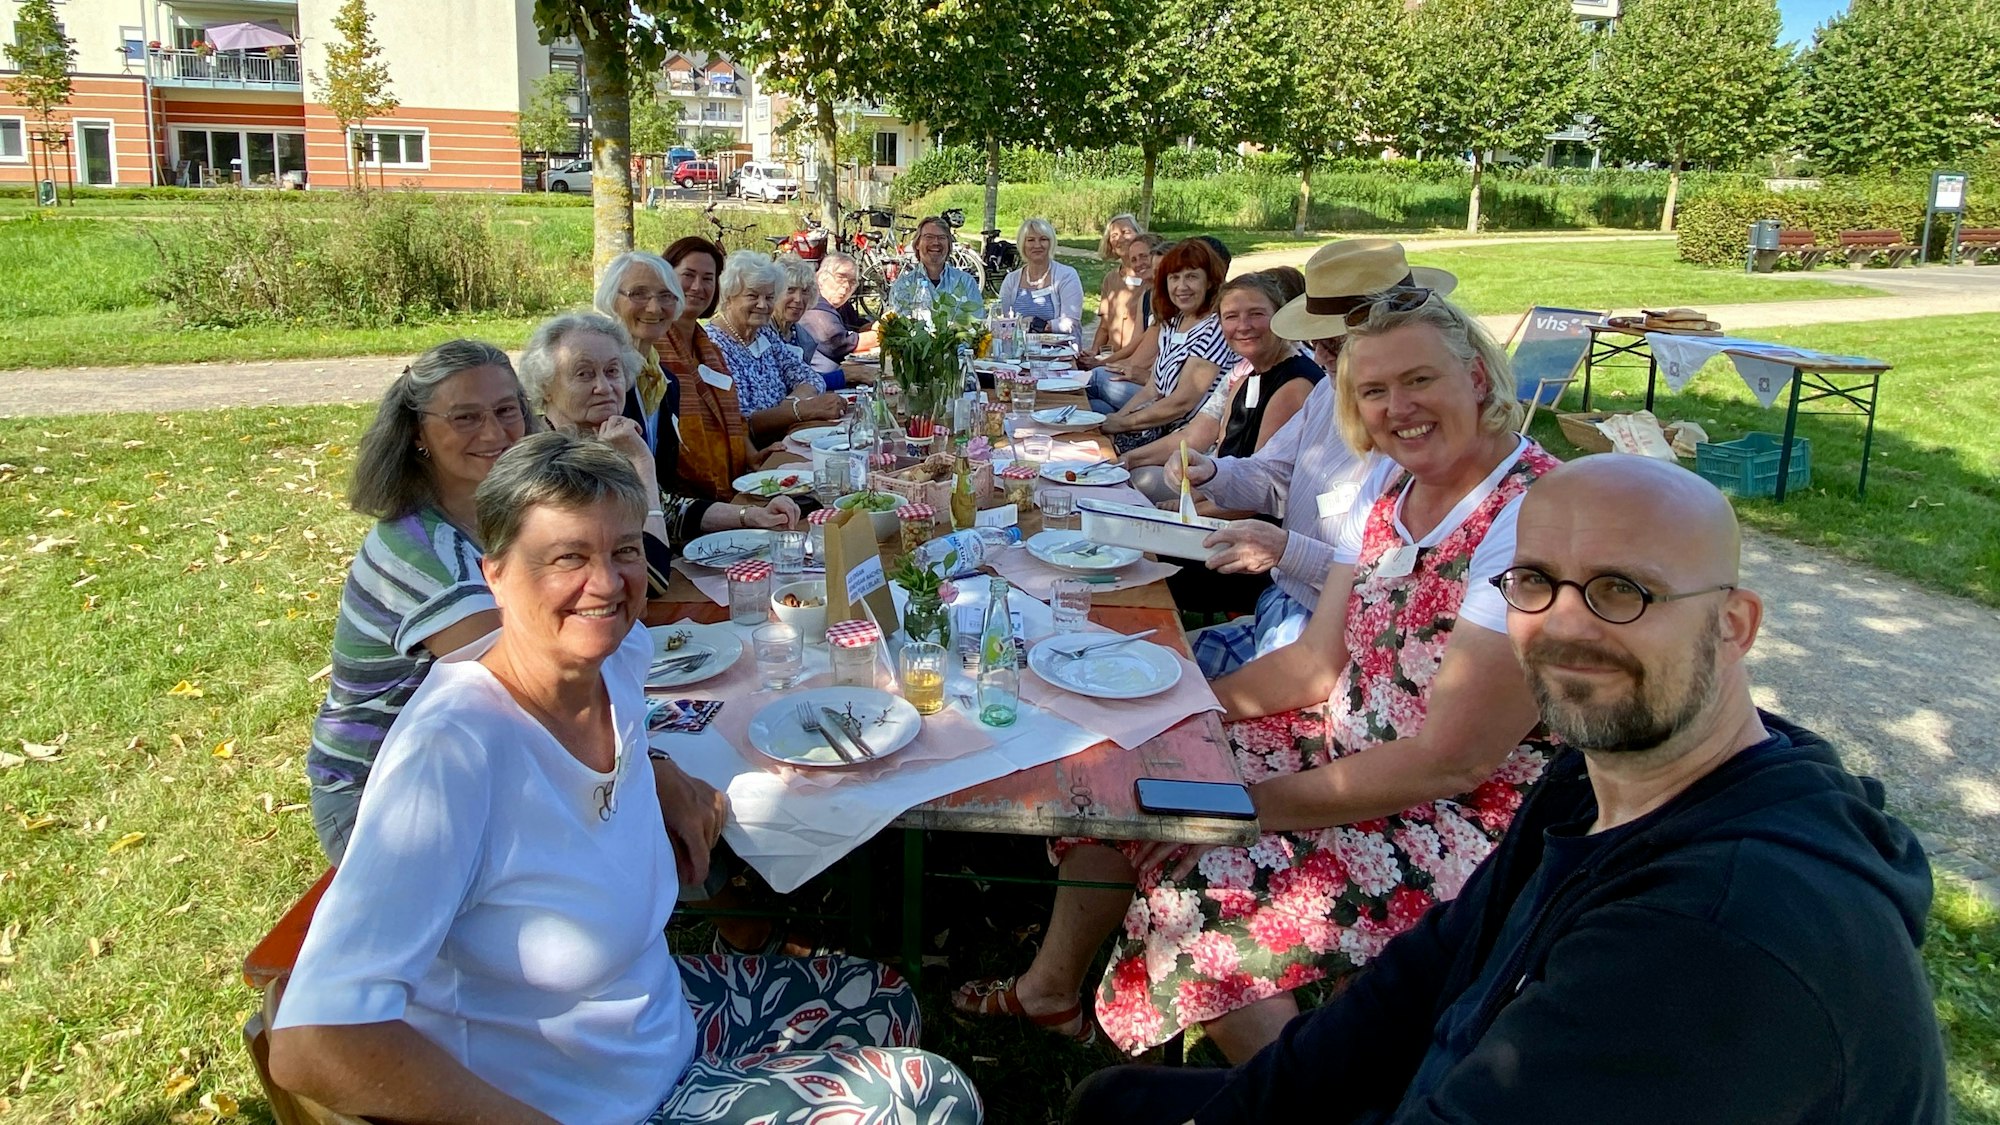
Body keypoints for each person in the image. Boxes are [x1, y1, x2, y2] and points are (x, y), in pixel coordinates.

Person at [1066, 455, 1947, 1125]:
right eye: (1534, 583)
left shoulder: (1717, 936)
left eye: (1622, 590)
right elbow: (1417, 983)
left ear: (1733, 624)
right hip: (1445, 1069)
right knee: (1115, 1102)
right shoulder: (1587, 789)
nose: (1566, 625)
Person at [269, 433, 983, 1125]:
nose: (606, 584)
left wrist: (657, 769)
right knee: (932, 1096)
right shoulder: (452, 755)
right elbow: (314, 1040)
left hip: (654, 1026)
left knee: (884, 999)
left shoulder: (615, 658)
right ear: (496, 574)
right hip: (580, 1102)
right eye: (567, 557)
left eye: (623, 551)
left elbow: (605, 755)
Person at [955, 289, 1561, 1064]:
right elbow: (1315, 664)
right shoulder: (1392, 484)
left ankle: (1311, 1095)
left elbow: (1453, 759)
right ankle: (1051, 991)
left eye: (1420, 381)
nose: (1396, 407)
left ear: (1477, 377)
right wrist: (1177, 709)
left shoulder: (1527, 515)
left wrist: (1243, 809)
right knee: (1128, 766)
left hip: (1458, 816)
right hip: (1339, 740)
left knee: (1199, 899)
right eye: (1373, 390)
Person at [1173, 240, 1461, 677]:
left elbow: (1392, 586)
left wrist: (1287, 550)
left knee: (1168, 691)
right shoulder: (1328, 388)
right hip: (1284, 604)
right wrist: (1209, 470)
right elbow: (1274, 472)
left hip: (1333, 634)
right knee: (1147, 658)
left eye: (1334, 344)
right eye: (1315, 343)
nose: (1321, 358)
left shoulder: (1424, 437)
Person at [305, 341, 531, 863]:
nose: (495, 433)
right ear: (417, 435)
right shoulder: (416, 549)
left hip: (469, 759)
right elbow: (521, 688)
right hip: (383, 793)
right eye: (465, 417)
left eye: (506, 410)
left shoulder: (503, 517)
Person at [522, 310, 798, 550]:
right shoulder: (548, 465)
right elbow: (650, 569)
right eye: (583, 374)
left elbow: (667, 509)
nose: (604, 387)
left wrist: (750, 516)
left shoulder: (598, 440)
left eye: (612, 372)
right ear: (545, 386)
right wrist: (641, 461)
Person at [1096, 238, 1239, 453]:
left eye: (1191, 277)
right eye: (1174, 278)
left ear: (1209, 281)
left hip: (1189, 442)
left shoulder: (1215, 327)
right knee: (1092, 416)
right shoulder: (1174, 322)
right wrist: (1117, 421)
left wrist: (1122, 424)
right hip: (1160, 428)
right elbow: (1152, 389)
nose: (1181, 287)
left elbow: (1181, 403)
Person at [653, 237, 757, 502]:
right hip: (681, 502)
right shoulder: (651, 350)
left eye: (708, 278)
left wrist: (752, 454)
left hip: (733, 486)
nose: (698, 287)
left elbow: (733, 417)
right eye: (688, 275)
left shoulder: (709, 349)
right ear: (665, 278)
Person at [705, 249, 844, 445]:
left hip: (786, 437)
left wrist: (789, 406)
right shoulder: (713, 345)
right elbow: (741, 421)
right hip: (753, 455)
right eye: (753, 296)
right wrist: (797, 411)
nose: (763, 305)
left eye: (769, 297)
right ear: (729, 296)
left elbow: (810, 377)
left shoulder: (763, 333)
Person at [994, 217, 1084, 344]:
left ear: (1051, 243)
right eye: (1030, 240)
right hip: (1019, 355)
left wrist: (1037, 325)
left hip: (1059, 355)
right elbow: (1001, 319)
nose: (1037, 245)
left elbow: (1071, 322)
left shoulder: (1066, 275)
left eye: (1043, 239)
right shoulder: (1011, 280)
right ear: (1022, 244)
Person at [1091, 232, 1166, 376]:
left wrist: (1104, 365)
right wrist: (1099, 363)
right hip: (1140, 374)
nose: (1139, 264)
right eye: (1134, 260)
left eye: (1144, 256)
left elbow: (1146, 357)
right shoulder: (1147, 296)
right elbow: (1135, 344)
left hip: (1152, 381)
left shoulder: (1168, 298)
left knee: (1094, 379)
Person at [800, 251, 878, 384]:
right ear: (822, 278)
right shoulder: (814, 305)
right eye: (841, 277)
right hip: (817, 386)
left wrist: (879, 325)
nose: (847, 286)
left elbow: (860, 326)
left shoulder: (841, 305)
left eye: (852, 282)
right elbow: (841, 343)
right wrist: (887, 332)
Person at [887, 215, 983, 314]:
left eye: (941, 238)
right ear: (917, 244)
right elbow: (896, 325)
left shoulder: (966, 283)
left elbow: (977, 323)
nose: (936, 242)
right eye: (929, 237)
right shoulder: (902, 286)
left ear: (949, 245)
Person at [772, 252, 832, 387]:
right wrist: (844, 376)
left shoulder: (802, 336)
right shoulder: (762, 335)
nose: (798, 299)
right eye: (790, 290)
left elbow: (806, 380)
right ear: (773, 292)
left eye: (805, 291)